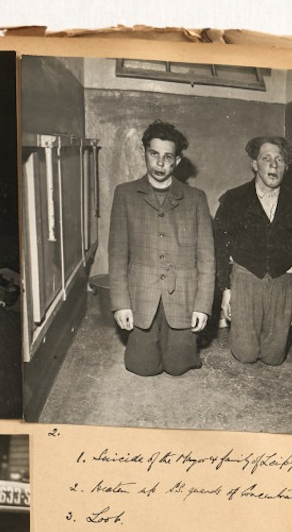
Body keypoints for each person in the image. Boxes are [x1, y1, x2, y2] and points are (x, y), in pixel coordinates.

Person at [107, 120, 216, 377]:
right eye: (154, 154)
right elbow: (118, 255)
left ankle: (183, 343)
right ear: (144, 153)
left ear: (177, 161)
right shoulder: (124, 194)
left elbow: (208, 260)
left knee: (179, 367)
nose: (160, 163)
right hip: (141, 297)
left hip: (183, 296)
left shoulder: (196, 198)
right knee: (142, 367)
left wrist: (202, 306)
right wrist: (121, 304)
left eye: (168, 157)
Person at [213, 136, 292, 367]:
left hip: (281, 281)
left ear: (286, 167)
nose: (273, 165)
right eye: (266, 158)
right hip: (246, 279)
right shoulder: (233, 198)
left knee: (274, 358)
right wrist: (226, 292)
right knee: (245, 355)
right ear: (255, 164)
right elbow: (220, 249)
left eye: (280, 160)